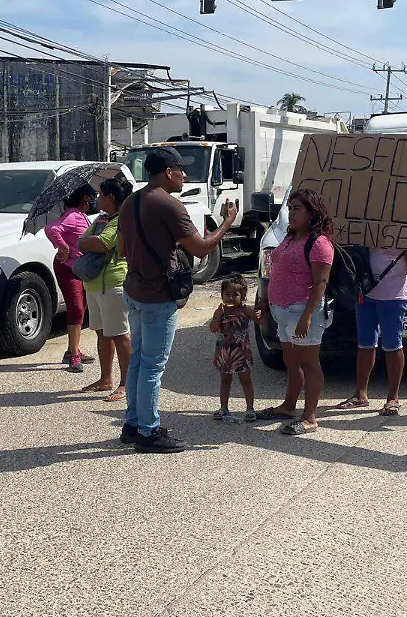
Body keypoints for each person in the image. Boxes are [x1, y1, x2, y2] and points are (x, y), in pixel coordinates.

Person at [118, 146, 238, 453]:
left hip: (134, 289)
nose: (184, 175)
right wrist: (226, 222)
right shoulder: (169, 204)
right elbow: (200, 248)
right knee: (152, 367)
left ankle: (132, 424)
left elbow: (121, 249)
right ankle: (148, 432)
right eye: (180, 170)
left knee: (138, 361)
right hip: (158, 295)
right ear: (168, 172)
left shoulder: (130, 201)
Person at [254, 189, 335, 436]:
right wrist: (265, 302)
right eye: (290, 208)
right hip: (282, 311)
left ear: (312, 213)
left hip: (303, 312)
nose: (291, 212)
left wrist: (307, 316)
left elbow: (321, 283)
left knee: (309, 364)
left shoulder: (319, 243)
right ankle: (289, 407)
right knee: (291, 361)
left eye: (297, 208)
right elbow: (276, 271)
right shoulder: (290, 238)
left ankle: (310, 417)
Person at [336, 244, 407, 417]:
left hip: (394, 295)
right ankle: (360, 394)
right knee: (365, 344)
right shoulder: (366, 225)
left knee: (392, 345)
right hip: (365, 291)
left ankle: (393, 398)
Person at [77, 177, 132, 401]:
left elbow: (102, 244)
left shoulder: (121, 220)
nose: (97, 198)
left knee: (120, 335)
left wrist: (89, 242)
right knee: (102, 333)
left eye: (100, 194)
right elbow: (83, 240)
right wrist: (89, 242)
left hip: (114, 283)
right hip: (94, 283)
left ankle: (126, 383)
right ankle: (106, 378)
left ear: (111, 197)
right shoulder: (101, 219)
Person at [46, 183, 96, 373]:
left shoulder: (81, 216)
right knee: (76, 307)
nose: (93, 201)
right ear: (85, 199)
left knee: (81, 307)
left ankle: (72, 349)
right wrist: (63, 247)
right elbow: (51, 229)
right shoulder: (73, 215)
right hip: (68, 267)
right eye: (91, 197)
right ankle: (73, 354)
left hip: (78, 268)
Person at [210, 273, 262, 422]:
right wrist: (218, 316)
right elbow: (213, 328)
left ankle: (250, 409)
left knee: (245, 379)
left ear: (243, 296)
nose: (230, 298)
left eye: (235, 295)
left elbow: (260, 321)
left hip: (241, 352)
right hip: (225, 352)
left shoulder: (245, 310)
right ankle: (224, 407)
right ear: (221, 295)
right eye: (227, 294)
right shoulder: (221, 311)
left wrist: (260, 311)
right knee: (225, 379)